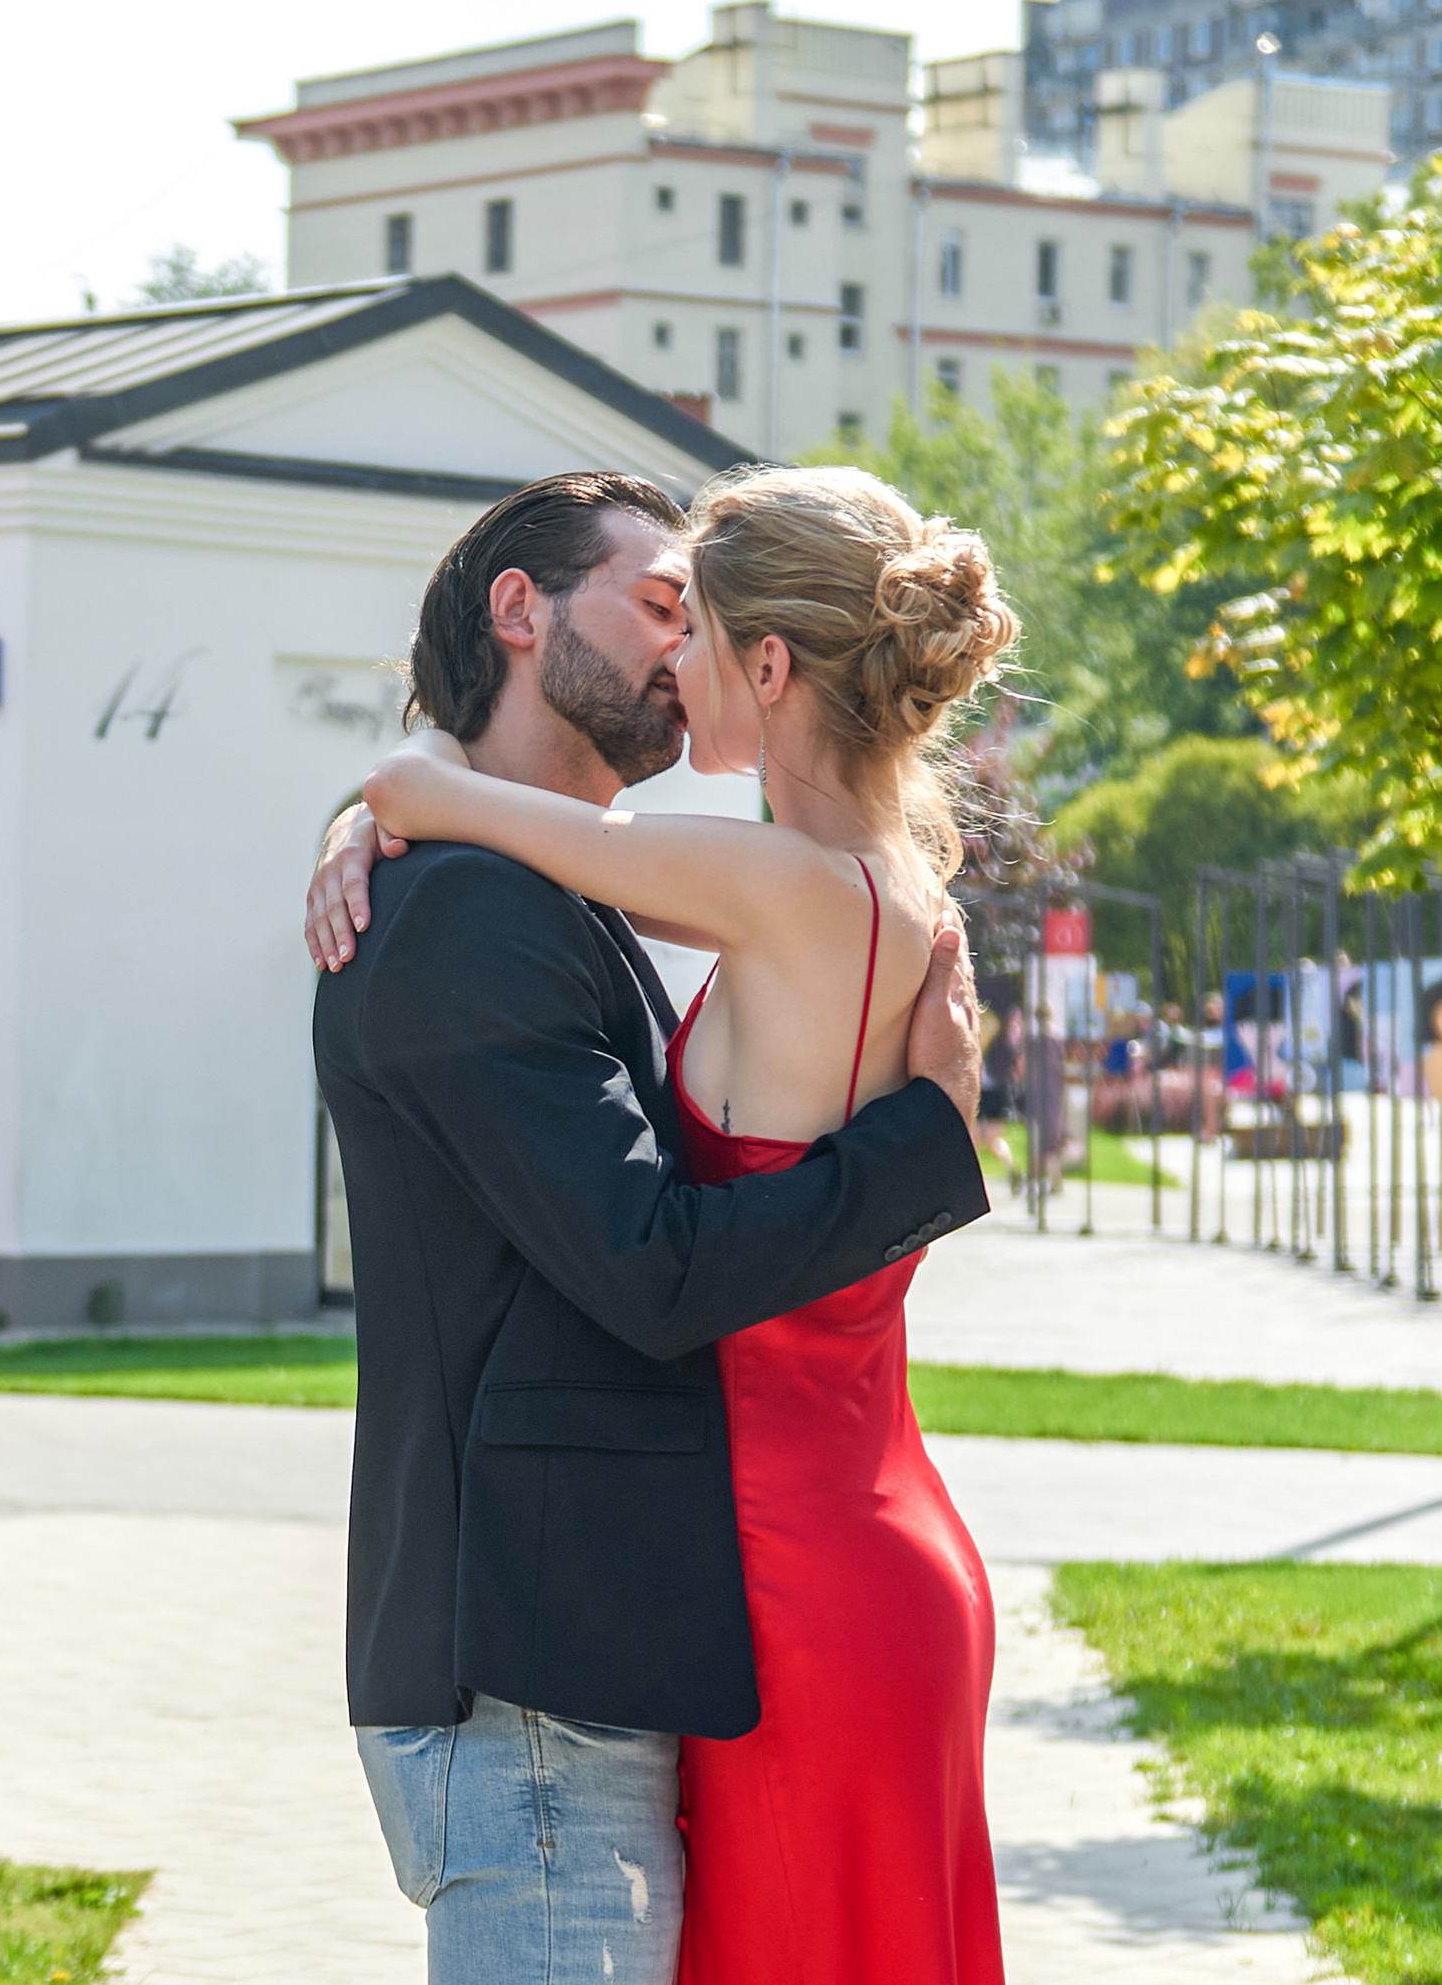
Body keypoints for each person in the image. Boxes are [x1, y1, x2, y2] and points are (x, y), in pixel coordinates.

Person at [307, 469, 991, 1985]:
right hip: (604, 1635)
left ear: (770, 662)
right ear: (521, 614)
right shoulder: (560, 903)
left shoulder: (671, 889)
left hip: (739, 1590)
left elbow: (657, 1258)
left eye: (703, 619)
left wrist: (389, 800)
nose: (679, 656)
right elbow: (656, 1254)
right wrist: (380, 818)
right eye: (654, 604)